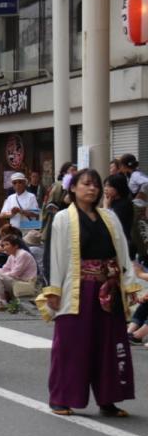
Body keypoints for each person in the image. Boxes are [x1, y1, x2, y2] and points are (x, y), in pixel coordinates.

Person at [37, 168, 144, 416]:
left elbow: (122, 254)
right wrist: (53, 289)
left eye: (96, 184)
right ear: (73, 188)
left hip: (109, 290)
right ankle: (61, 397)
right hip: (78, 289)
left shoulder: (110, 217)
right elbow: (52, 254)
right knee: (72, 345)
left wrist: (129, 285)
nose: (93, 188)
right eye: (86, 184)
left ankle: (108, 399)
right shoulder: (63, 218)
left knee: (109, 344)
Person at [0, 234, 38, 310]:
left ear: (16, 246)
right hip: (15, 279)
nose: (4, 247)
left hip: (24, 281)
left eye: (7, 244)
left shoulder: (23, 254)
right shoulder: (12, 256)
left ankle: (2, 301)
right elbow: (5, 269)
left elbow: (15, 273)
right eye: (3, 245)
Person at [104, 173, 135, 244]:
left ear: (118, 187)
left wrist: (106, 206)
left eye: (109, 186)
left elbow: (112, 224)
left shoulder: (124, 204)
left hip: (122, 242)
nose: (105, 188)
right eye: (105, 186)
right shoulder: (111, 201)